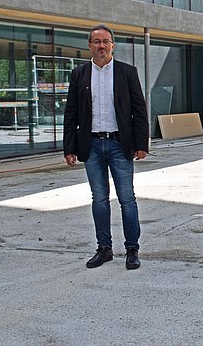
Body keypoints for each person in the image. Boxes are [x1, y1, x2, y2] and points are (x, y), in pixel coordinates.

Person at [63, 24, 149, 270]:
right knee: (99, 199)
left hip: (119, 144)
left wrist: (141, 143)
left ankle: (132, 249)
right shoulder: (79, 74)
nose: (101, 46)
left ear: (113, 45)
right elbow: (71, 113)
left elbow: (139, 110)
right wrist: (69, 147)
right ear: (89, 45)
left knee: (127, 199)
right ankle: (104, 248)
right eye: (96, 41)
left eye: (106, 41)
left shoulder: (127, 72)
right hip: (91, 145)